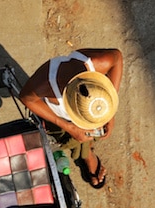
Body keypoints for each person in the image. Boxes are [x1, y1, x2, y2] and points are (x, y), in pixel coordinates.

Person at [19, 48, 123, 188]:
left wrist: (111, 109)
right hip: (56, 116)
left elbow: (117, 57)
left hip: (72, 117)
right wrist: (68, 126)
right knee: (68, 135)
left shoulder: (97, 63)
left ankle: (86, 151)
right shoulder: (48, 84)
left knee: (91, 132)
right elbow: (26, 98)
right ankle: (86, 154)